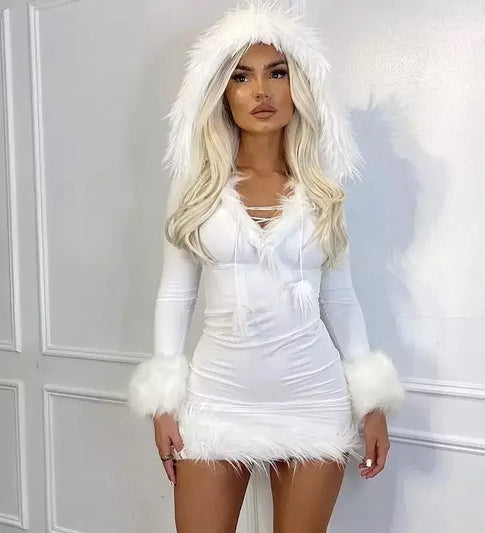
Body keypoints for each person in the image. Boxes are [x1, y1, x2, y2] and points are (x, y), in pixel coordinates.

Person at [128, 1, 405, 531]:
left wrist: (372, 400)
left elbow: (340, 297)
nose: (261, 91)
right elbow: (176, 294)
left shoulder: (323, 189)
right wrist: (164, 399)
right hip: (217, 397)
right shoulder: (194, 187)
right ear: (222, 93)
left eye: (277, 73)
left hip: (312, 396)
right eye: (241, 76)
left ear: (298, 86)